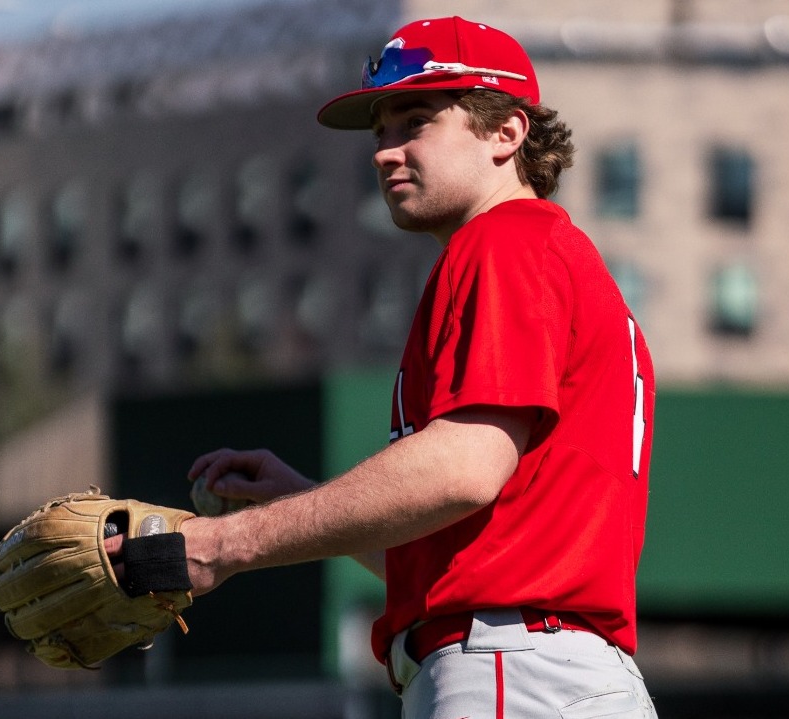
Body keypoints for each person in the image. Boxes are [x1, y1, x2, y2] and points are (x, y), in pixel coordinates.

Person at [110, 16, 657, 718]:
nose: (384, 152)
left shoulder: (505, 245)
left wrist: (222, 542)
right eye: (379, 131)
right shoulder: (550, 255)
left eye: (415, 121)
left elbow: (463, 468)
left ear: (506, 133)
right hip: (544, 669)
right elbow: (456, 553)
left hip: (510, 671)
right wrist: (295, 501)